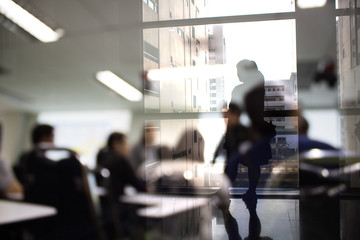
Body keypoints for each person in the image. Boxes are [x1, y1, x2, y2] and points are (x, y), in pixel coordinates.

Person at [223, 60, 275, 201]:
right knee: (252, 163)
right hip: (253, 131)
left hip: (241, 131)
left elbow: (234, 111)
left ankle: (225, 190)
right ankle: (251, 191)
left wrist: (229, 134)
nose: (238, 74)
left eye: (239, 70)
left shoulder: (240, 90)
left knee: (233, 162)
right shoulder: (259, 88)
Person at [96, 132, 146, 240]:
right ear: (117, 144)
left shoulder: (101, 156)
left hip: (103, 209)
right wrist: (151, 189)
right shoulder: (120, 160)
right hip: (117, 209)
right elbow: (136, 183)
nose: (128, 148)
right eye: (126, 144)